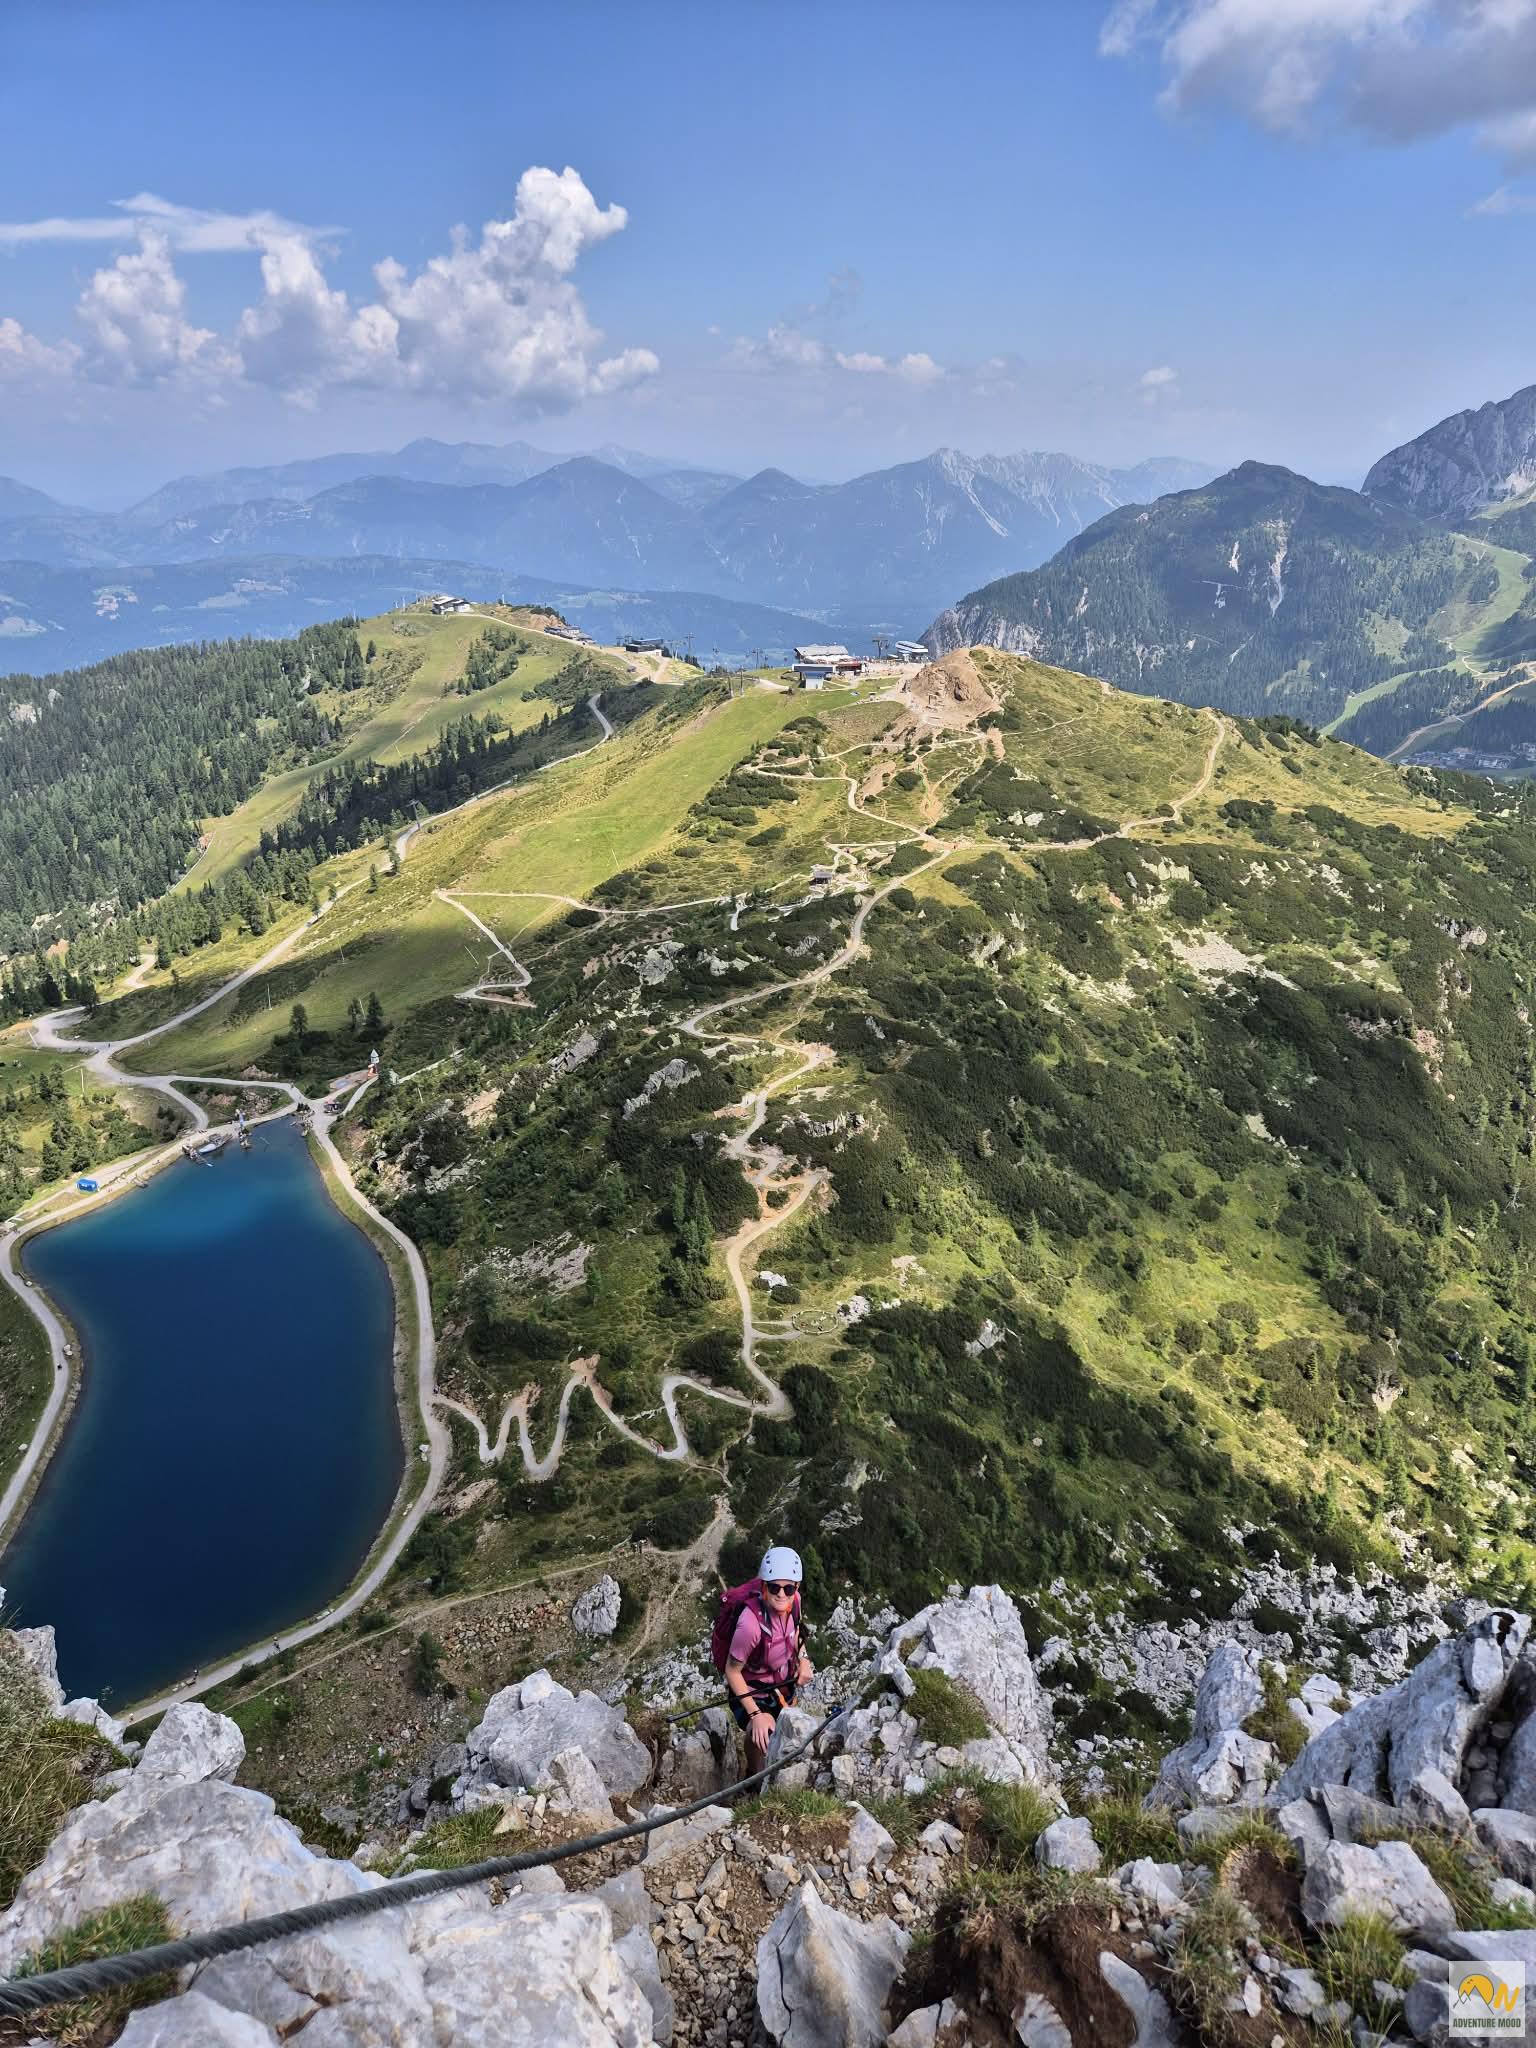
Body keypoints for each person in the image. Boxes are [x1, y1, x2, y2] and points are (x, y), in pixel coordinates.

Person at [723, 1545, 814, 1766]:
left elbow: (796, 1632)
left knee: (784, 1733)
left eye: (788, 1588)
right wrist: (756, 1715)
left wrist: (803, 1659)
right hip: (752, 1689)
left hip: (782, 1686)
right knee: (764, 1733)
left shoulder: (795, 1602)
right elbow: (732, 1671)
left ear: (796, 1587)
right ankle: (754, 1776)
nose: (781, 1594)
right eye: (774, 1587)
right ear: (764, 1585)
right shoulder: (750, 1625)